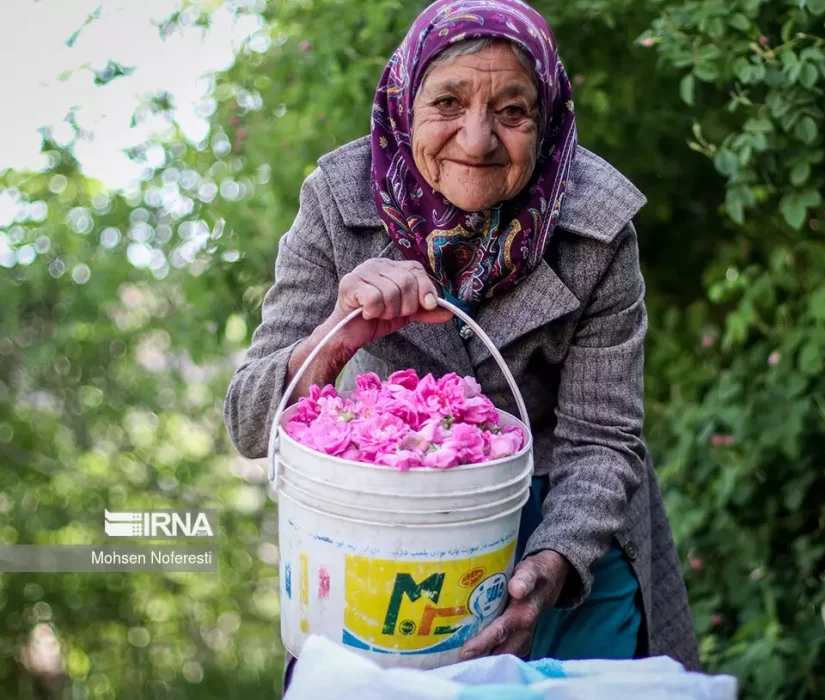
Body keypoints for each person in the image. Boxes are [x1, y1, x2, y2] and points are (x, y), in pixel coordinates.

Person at [221, 0, 699, 690]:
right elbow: (248, 424)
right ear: (403, 105)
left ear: (550, 118)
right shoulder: (338, 204)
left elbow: (602, 437)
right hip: (391, 538)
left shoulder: (597, 227)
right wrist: (337, 335)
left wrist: (551, 566)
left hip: (567, 532)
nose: (477, 140)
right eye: (447, 102)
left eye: (512, 111)